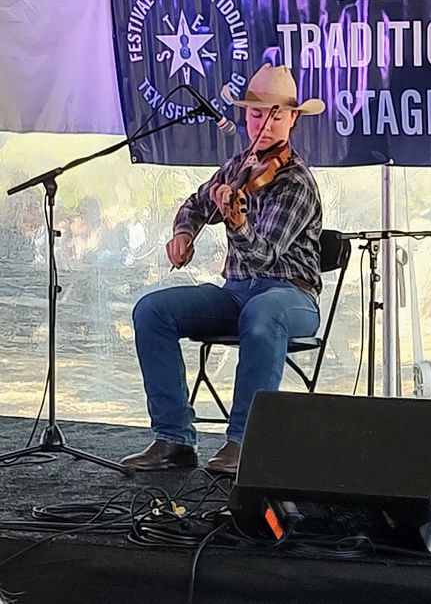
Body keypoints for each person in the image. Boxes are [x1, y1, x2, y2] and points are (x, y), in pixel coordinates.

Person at [120, 64, 326, 473]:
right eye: (255, 114)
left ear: (293, 119)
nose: (263, 125)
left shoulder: (297, 182)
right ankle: (173, 438)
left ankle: (245, 441)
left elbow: (266, 257)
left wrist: (237, 223)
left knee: (263, 312)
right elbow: (195, 204)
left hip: (291, 295)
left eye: (275, 116)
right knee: (152, 311)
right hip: (238, 291)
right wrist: (184, 233)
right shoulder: (237, 167)